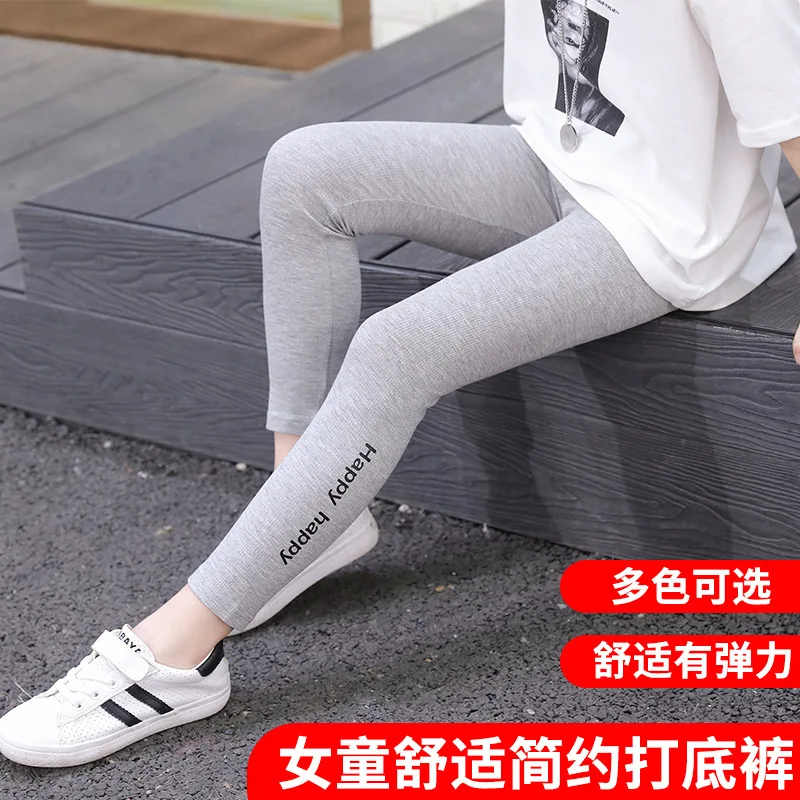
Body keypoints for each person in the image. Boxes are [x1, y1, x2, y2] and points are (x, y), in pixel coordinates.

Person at [1, 0, 799, 768]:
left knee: (397, 346)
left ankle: (180, 656)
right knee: (303, 169)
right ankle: (312, 515)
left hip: (667, 227)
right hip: (564, 163)